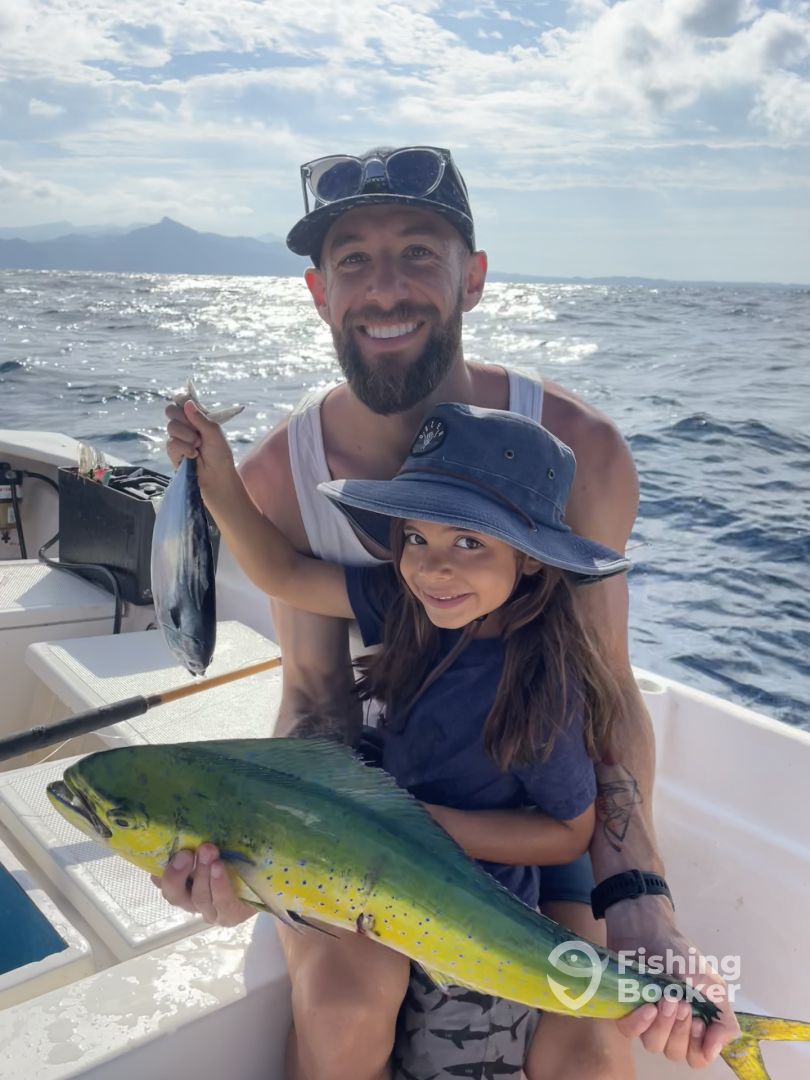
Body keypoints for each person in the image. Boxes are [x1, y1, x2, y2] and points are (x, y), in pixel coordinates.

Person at [160, 145, 739, 1078]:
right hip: (369, 805)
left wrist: (641, 901)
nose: (385, 288)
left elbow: (603, 696)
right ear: (318, 293)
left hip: (521, 805)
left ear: (473, 278)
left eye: (418, 253)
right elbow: (315, 697)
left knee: (595, 1044)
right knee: (345, 1006)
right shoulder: (283, 472)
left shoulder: (582, 453)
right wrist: (262, 858)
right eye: (354, 259)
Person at [168, 395, 635, 1078]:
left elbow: (567, 833)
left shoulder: (545, 690)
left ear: (532, 559)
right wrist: (217, 479)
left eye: (470, 542)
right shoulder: (406, 601)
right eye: (417, 537)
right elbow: (284, 574)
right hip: (377, 868)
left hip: (477, 908)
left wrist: (425, 827)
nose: (434, 567)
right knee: (341, 1020)